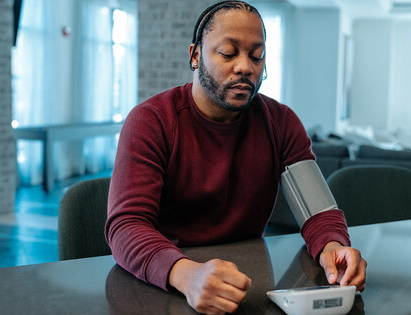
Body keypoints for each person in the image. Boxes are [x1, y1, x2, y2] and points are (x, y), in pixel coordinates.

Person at [105, 1, 367, 314]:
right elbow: (127, 225)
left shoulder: (281, 123)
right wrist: (185, 274)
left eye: (257, 55)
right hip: (164, 283)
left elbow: (318, 212)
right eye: (229, 53)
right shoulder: (151, 121)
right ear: (195, 55)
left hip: (246, 284)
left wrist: (333, 247)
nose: (245, 67)